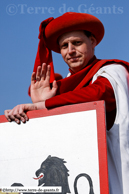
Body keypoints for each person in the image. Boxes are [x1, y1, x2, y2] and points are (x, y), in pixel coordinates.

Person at [4, 12, 129, 194]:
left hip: (112, 176)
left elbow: (97, 95)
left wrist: (42, 105)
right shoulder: (61, 91)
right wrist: (40, 110)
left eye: (77, 43)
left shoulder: (113, 72)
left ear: (92, 42)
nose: (70, 50)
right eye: (64, 46)